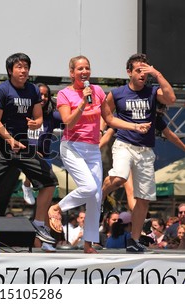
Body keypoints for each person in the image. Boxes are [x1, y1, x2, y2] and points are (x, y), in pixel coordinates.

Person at [48, 55, 151, 253]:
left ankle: (88, 244)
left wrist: (135, 126)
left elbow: (110, 118)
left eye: (87, 68)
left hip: (93, 148)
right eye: (80, 69)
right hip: (72, 147)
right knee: (88, 187)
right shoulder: (64, 94)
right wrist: (82, 104)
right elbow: (68, 122)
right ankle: (57, 208)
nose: (84, 72)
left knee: (95, 197)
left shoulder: (96, 91)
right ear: (72, 73)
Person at [0, 52, 58, 249]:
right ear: (10, 70)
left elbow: (38, 118)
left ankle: (39, 224)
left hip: (23, 145)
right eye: (19, 67)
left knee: (49, 181)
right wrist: (9, 139)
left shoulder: (33, 90)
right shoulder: (2, 90)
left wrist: (35, 124)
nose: (23, 70)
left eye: (26, 67)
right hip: (0, 144)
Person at [101, 53, 176, 253]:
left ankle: (133, 240)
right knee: (118, 177)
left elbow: (171, 97)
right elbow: (107, 117)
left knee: (143, 197)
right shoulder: (117, 93)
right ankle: (101, 194)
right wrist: (129, 127)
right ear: (129, 72)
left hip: (145, 151)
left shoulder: (152, 92)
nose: (142, 74)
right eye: (138, 70)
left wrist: (157, 74)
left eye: (145, 70)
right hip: (124, 144)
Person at [21, 83, 62, 205]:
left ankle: (41, 218)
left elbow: (68, 120)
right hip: (25, 153)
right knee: (34, 157)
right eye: (40, 94)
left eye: (46, 95)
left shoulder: (51, 115)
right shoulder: (24, 112)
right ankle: (26, 185)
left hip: (45, 155)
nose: (43, 97)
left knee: (50, 185)